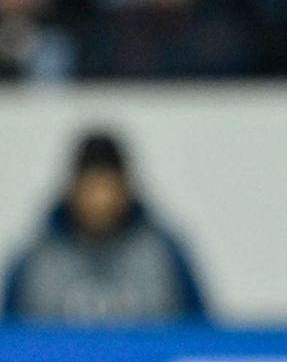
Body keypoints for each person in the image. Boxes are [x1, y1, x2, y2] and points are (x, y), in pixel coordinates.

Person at [3, 130, 207, 323]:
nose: (101, 201)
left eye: (109, 187)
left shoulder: (162, 255)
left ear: (126, 190)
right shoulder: (37, 260)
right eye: (91, 188)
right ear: (73, 189)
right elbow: (9, 337)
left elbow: (200, 332)